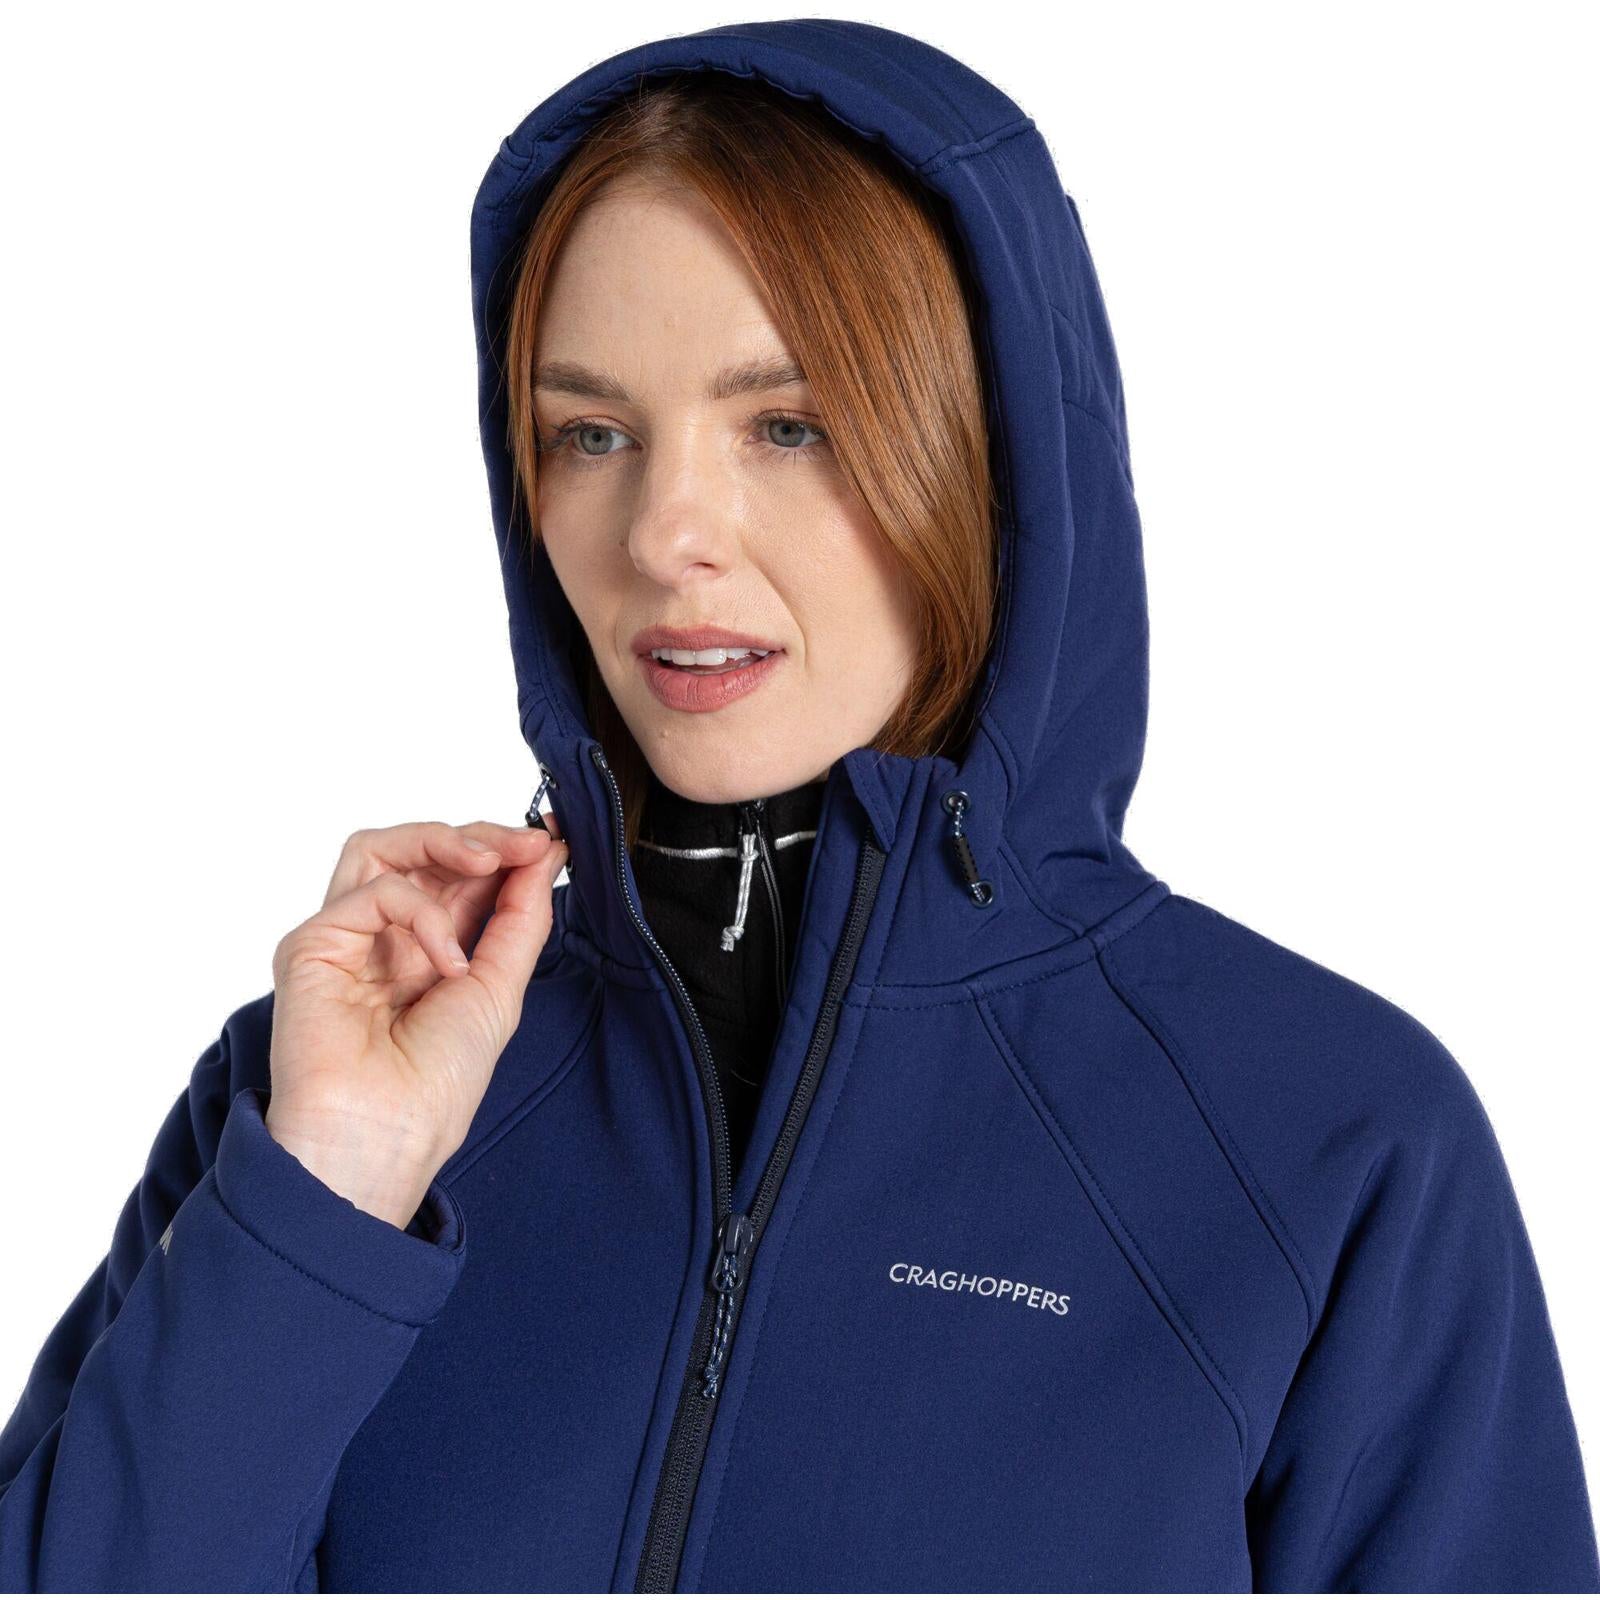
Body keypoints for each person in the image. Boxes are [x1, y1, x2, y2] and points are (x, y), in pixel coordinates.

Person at [2, 18, 1596, 1594]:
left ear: (992, 464)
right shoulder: (320, 1107)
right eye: (591, 433)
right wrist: (330, 1203)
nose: (664, 532)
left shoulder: (1324, 1140)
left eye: (790, 425)